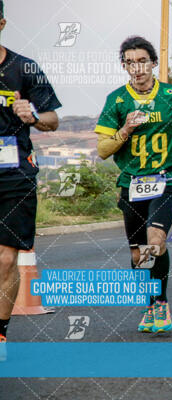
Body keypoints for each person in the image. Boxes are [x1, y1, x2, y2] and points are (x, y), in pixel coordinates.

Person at [95, 36, 172, 333]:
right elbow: (102, 149)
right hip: (131, 183)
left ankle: (161, 304)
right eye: (130, 62)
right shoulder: (117, 100)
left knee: (156, 240)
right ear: (124, 66)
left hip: (167, 180)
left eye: (142, 61)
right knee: (138, 254)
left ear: (153, 63)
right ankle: (150, 305)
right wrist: (125, 129)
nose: (137, 68)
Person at [0, 0, 62, 346]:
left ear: (2, 23)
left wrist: (33, 116)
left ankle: (1, 333)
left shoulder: (25, 68)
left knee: (7, 257)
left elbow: (53, 120)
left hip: (14, 174)